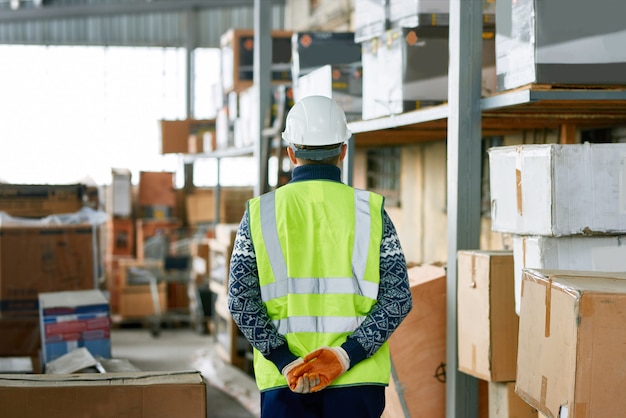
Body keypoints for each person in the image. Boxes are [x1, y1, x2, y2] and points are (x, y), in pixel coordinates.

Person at [227, 95, 413, 418]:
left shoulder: (259, 215)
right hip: (357, 382)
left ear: (290, 153)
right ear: (343, 150)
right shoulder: (372, 213)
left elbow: (240, 300)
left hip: (286, 383)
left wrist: (285, 359)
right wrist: (345, 356)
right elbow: (398, 298)